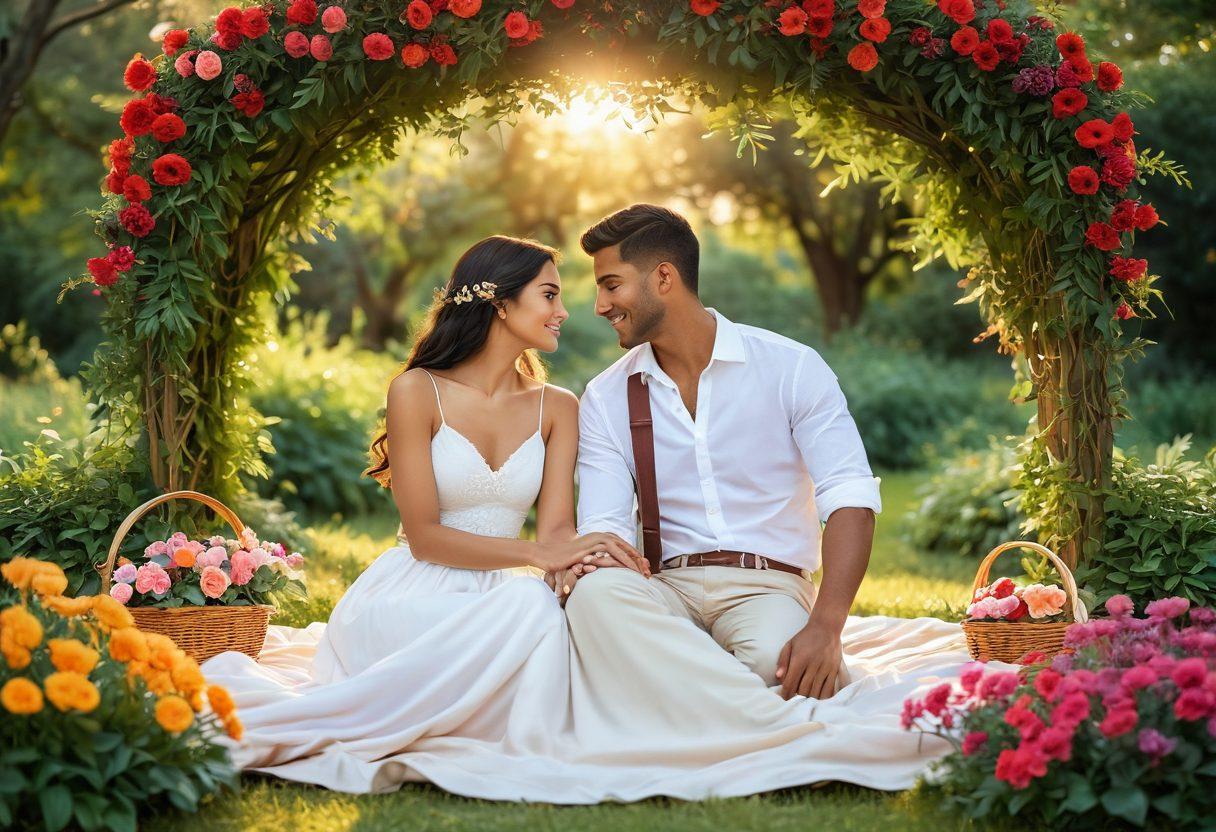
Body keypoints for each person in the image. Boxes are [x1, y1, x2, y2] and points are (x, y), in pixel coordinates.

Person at [201, 235, 646, 793]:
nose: (563, 312)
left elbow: (556, 530)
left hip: (506, 593)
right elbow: (426, 537)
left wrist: (572, 560)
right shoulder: (416, 391)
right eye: (550, 294)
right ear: (500, 303)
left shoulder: (557, 406)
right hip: (416, 592)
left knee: (535, 605)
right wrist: (539, 555)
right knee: (528, 605)